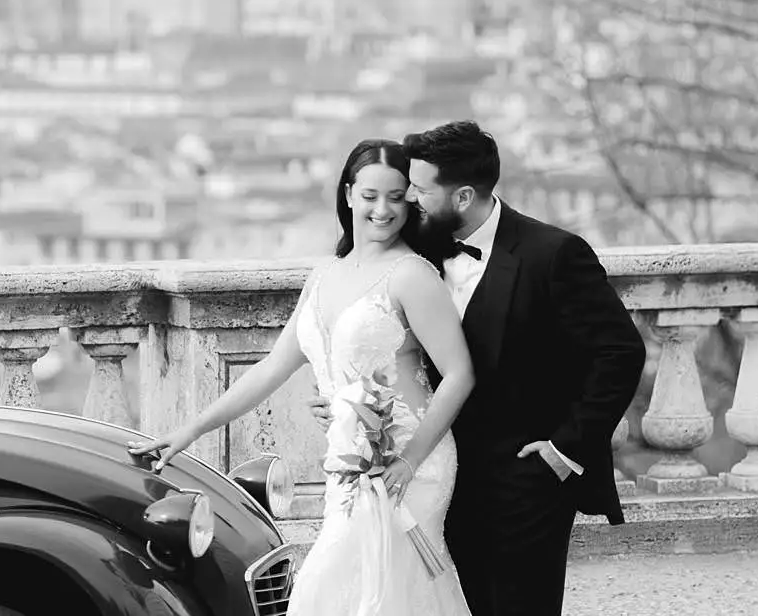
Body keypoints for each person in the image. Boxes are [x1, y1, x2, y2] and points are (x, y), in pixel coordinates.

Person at [309, 121, 645, 616]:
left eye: (420, 190)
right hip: (438, 476)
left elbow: (620, 352)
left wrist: (563, 449)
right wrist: (348, 403)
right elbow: (386, 340)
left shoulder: (552, 255)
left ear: (463, 196)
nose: (410, 201)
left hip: (525, 481)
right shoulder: (420, 246)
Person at [128, 138, 476, 615]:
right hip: (346, 461)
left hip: (408, 464)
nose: (383, 209)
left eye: (397, 197)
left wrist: (409, 461)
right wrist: (190, 430)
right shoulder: (325, 274)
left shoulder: (412, 275)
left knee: (353, 588)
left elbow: (459, 374)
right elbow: (272, 368)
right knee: (349, 591)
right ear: (349, 194)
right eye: (371, 195)